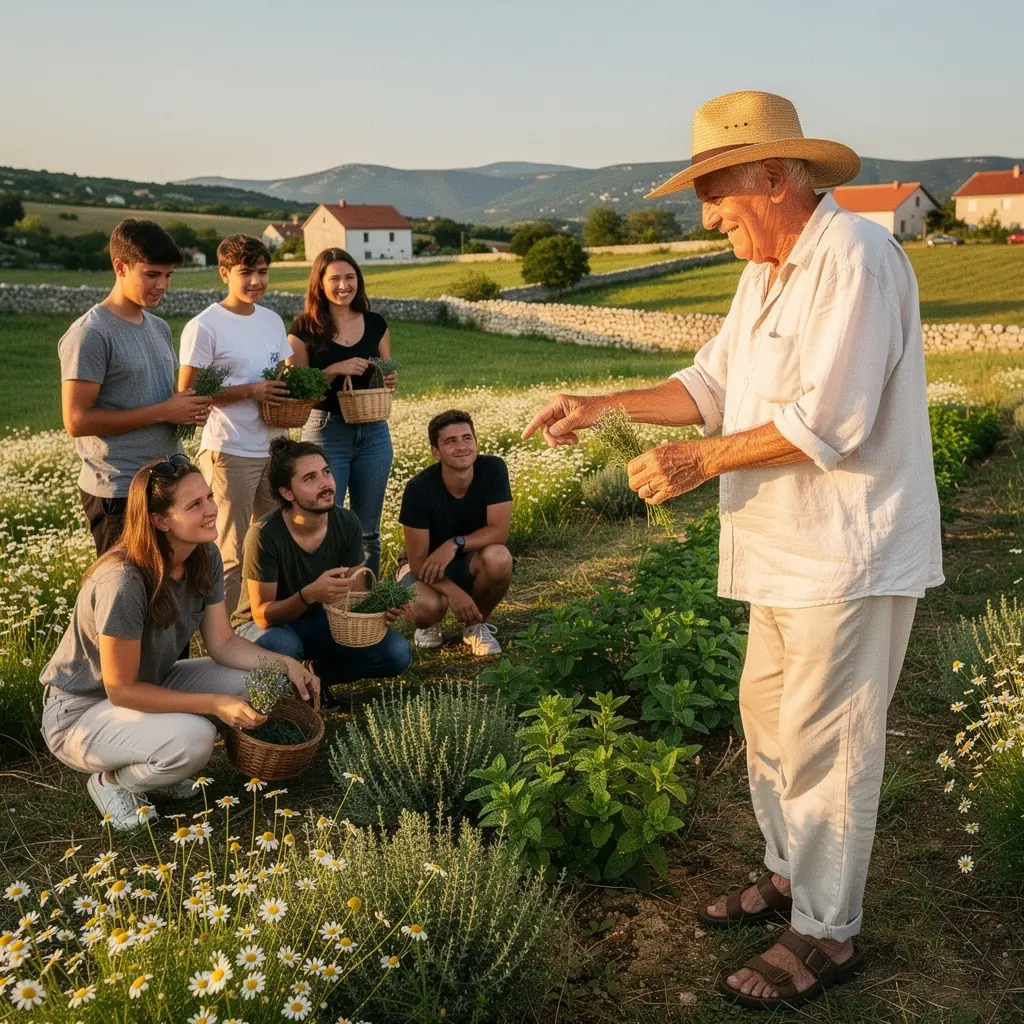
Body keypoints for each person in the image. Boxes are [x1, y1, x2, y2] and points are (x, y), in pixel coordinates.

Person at [524, 91, 943, 1011]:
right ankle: (793, 877)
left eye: (716, 193)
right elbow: (711, 383)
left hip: (850, 548)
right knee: (768, 724)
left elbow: (828, 421)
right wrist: (605, 407)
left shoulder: (858, 258)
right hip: (782, 551)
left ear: (773, 175)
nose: (709, 215)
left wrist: (696, 460)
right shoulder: (766, 270)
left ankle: (828, 935)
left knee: (829, 745)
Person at [40, 455, 318, 830]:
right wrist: (215, 703)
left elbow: (223, 643)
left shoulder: (205, 556)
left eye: (208, 497)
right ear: (159, 520)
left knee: (260, 680)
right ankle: (113, 782)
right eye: (195, 505)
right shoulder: (123, 580)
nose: (211, 510)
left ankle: (158, 767)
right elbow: (120, 690)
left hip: (149, 685)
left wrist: (286, 664)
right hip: (80, 713)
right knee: (195, 740)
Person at [58, 218, 213, 555]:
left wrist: (185, 411)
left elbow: (158, 401)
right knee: (127, 597)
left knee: (171, 597)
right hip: (121, 491)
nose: (162, 285)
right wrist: (164, 412)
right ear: (120, 266)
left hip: (169, 486)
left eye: (168, 275)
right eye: (152, 274)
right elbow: (76, 421)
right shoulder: (91, 333)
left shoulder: (158, 328)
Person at [233, 437, 411, 705]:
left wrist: (378, 611)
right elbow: (262, 615)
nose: (326, 483)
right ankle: (284, 696)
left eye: (326, 472)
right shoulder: (264, 535)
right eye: (310, 478)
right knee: (283, 645)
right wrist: (309, 595)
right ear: (287, 493)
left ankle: (314, 678)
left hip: (324, 620)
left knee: (396, 652)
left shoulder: (346, 521)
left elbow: (357, 595)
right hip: (264, 628)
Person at [178, 234, 292, 616]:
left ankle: (258, 627)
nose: (256, 281)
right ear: (224, 272)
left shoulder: (273, 321)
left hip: (275, 449)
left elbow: (278, 380)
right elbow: (187, 394)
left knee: (275, 546)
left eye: (262, 272)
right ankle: (220, 641)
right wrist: (250, 391)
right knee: (231, 552)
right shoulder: (205, 326)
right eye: (246, 273)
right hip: (230, 450)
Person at [286, 248, 397, 580]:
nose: (343, 285)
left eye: (350, 277)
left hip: (374, 431)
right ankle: (327, 602)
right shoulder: (303, 328)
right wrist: (334, 370)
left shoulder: (376, 323)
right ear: (319, 283)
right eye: (334, 278)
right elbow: (297, 391)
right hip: (325, 432)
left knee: (368, 531)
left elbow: (385, 374)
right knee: (325, 524)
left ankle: (367, 605)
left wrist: (390, 380)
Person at [398, 410, 513, 656]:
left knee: (500, 558)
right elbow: (417, 560)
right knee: (425, 608)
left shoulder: (493, 469)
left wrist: (454, 543)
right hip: (425, 567)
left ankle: (475, 625)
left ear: (476, 442)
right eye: (451, 441)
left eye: (467, 438)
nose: (461, 446)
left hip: (470, 558)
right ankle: (429, 625)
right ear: (436, 452)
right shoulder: (418, 489)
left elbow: (499, 532)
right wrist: (454, 593)